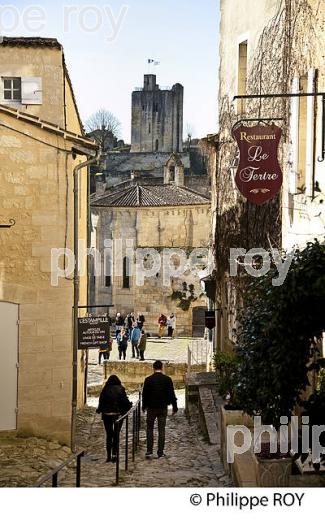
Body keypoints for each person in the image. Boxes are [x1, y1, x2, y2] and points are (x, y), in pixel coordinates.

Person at [142, 360, 178, 459]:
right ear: (162, 368)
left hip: (151, 408)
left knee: (149, 429)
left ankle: (149, 451)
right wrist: (175, 407)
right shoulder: (167, 379)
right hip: (163, 407)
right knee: (161, 430)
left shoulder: (148, 380)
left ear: (153, 368)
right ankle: (160, 452)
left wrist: (143, 406)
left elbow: (145, 395)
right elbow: (172, 394)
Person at [96, 375, 132, 462]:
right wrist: (129, 406)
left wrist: (99, 409)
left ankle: (108, 456)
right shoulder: (121, 389)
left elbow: (101, 401)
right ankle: (114, 455)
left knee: (109, 435)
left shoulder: (105, 389)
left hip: (107, 414)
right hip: (118, 414)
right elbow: (125, 401)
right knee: (116, 435)